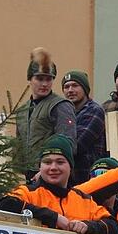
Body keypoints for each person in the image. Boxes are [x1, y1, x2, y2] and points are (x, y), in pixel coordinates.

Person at [0, 135, 118, 234]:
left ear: (70, 167)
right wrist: (54, 218)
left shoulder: (84, 200)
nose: (53, 167)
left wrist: (88, 226)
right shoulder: (28, 192)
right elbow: (6, 204)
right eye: (47, 162)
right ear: (40, 167)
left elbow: (113, 225)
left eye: (60, 162)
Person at [16, 47, 77, 175]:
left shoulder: (60, 106)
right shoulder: (22, 110)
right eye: (39, 78)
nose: (44, 84)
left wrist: (48, 170)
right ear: (30, 79)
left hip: (51, 174)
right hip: (27, 175)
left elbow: (68, 144)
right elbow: (18, 146)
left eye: (48, 79)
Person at [62, 70, 106, 184]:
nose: (70, 90)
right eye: (66, 87)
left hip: (87, 178)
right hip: (68, 178)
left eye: (75, 86)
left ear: (85, 89)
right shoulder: (65, 113)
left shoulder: (94, 110)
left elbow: (79, 144)